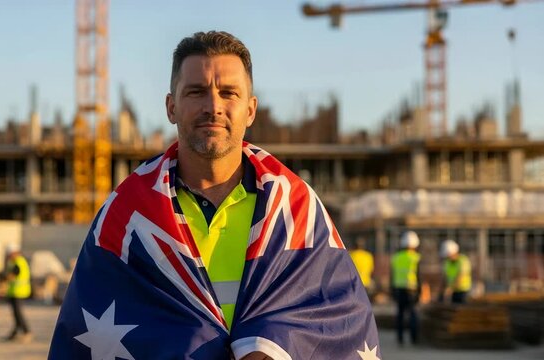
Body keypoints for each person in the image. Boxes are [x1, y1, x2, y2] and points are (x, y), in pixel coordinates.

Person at [50, 30, 379, 360]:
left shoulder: (296, 210)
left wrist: (272, 345)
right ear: (171, 107)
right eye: (196, 92)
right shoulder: (125, 213)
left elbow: (336, 316)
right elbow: (85, 329)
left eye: (228, 93)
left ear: (250, 110)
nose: (213, 107)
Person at [390, 230, 421, 346]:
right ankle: (414, 339)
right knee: (413, 314)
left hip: (399, 290)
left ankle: (400, 339)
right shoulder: (416, 258)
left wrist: (392, 291)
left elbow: (392, 276)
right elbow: (419, 276)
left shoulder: (396, 257)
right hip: (412, 290)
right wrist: (420, 291)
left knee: (400, 315)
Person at [4, 243, 32, 342]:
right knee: (16, 314)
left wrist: (3, 281)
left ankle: (26, 331)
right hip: (14, 292)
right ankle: (14, 333)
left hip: (19, 292)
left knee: (18, 314)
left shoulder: (18, 262)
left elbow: (12, 275)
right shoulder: (15, 261)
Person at [439, 239, 472, 304]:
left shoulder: (463, 261)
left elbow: (461, 275)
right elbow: (445, 278)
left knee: (462, 309)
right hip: (454, 291)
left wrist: (450, 288)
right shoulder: (447, 263)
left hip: (463, 290)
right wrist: (442, 292)